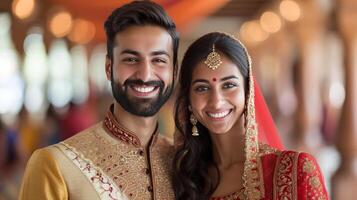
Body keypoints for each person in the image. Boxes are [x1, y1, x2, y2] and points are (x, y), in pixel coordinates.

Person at [19, 1, 179, 199]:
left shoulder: (185, 163)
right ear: (109, 68)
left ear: (174, 70)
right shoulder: (55, 165)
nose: (145, 74)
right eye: (131, 59)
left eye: (159, 60)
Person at [172, 32, 328, 200]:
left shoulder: (294, 171)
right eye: (202, 88)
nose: (216, 101)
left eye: (229, 85)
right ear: (188, 100)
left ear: (248, 91)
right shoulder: (184, 178)